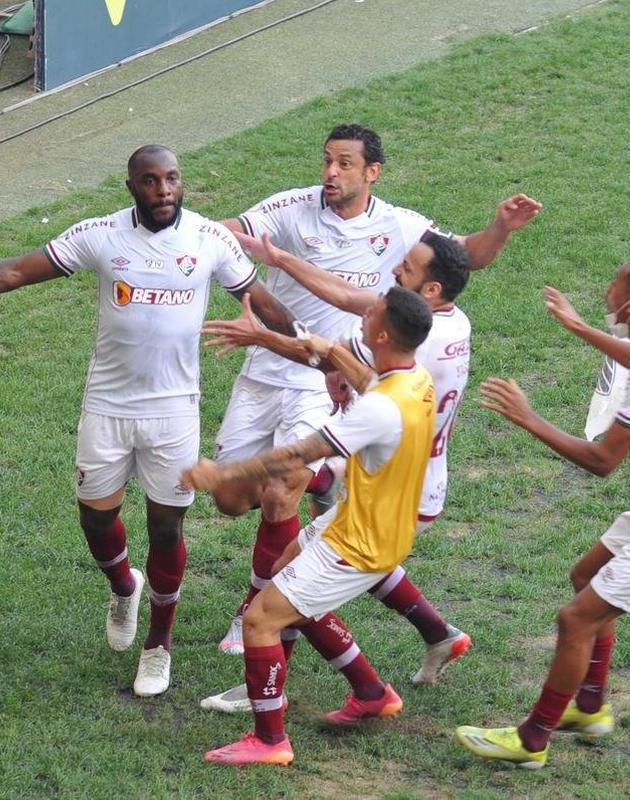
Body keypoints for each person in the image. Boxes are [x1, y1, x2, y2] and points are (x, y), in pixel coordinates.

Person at [0, 145, 294, 697]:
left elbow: (262, 302)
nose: (164, 190)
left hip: (173, 411)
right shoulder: (101, 234)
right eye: (150, 181)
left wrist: (314, 355)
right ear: (131, 187)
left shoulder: (209, 241)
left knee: (166, 528)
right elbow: (10, 275)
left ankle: (158, 645)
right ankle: (124, 587)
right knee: (97, 522)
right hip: (108, 406)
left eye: (171, 179)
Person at [209, 122, 542, 658]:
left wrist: (499, 229)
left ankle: (262, 631)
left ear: (373, 172)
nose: (331, 173)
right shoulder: (293, 209)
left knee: (290, 502)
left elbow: (353, 308)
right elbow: (223, 233)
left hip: (336, 390)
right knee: (234, 500)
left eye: (344, 163)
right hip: (299, 379)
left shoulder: (401, 241)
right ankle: (430, 639)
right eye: (326, 161)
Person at [456, 255, 630, 768]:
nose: (606, 288)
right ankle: (588, 707)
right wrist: (580, 328)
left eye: (613, 283)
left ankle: (532, 739)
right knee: (586, 576)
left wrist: (529, 418)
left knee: (575, 619)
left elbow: (603, 461)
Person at [197, 233, 477, 714]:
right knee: (293, 573)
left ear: (429, 293)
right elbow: (356, 361)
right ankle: (412, 654)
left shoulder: (402, 368)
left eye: (406, 269)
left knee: (287, 598)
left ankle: (285, 722)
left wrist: (223, 473)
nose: (394, 273)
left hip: (390, 497)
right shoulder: (445, 332)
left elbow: (312, 437)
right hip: (406, 482)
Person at [182, 285, 436, 766]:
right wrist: (334, 350)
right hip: (366, 521)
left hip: (357, 544)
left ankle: (270, 740)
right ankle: (371, 691)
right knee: (286, 578)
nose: (362, 316)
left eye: (370, 314)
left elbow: (299, 455)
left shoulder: (379, 409)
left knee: (260, 620)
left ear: (382, 333)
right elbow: (372, 383)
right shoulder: (413, 378)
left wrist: (224, 474)